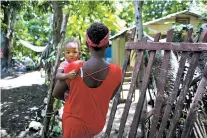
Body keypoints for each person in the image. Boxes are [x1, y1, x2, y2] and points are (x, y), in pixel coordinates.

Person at [53, 22, 122, 138]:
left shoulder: (73, 67)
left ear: (86, 44)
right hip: (96, 124)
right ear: (107, 44)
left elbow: (56, 93)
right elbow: (108, 96)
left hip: (74, 124)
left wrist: (74, 96)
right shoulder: (117, 72)